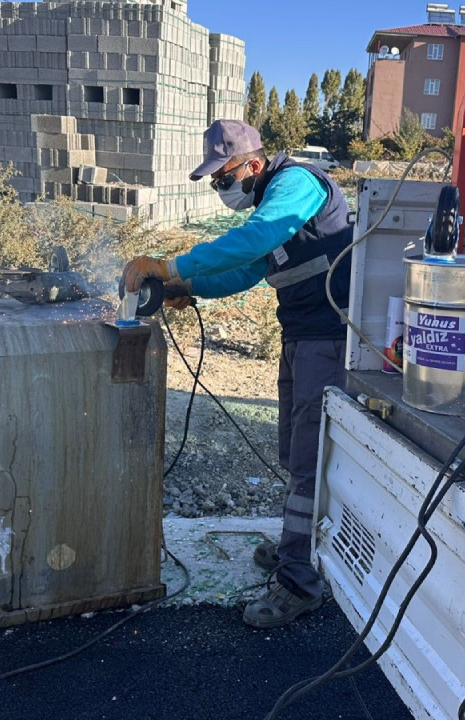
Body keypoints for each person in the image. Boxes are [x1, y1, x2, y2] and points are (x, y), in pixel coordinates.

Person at [122, 119, 352, 629]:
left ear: (252, 164)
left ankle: (298, 582)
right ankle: (301, 542)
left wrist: (173, 265)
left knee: (311, 456)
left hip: (330, 338)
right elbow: (247, 271)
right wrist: (192, 287)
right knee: (295, 449)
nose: (221, 189)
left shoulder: (297, 184)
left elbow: (256, 239)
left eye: (223, 178)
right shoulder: (270, 200)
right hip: (303, 336)